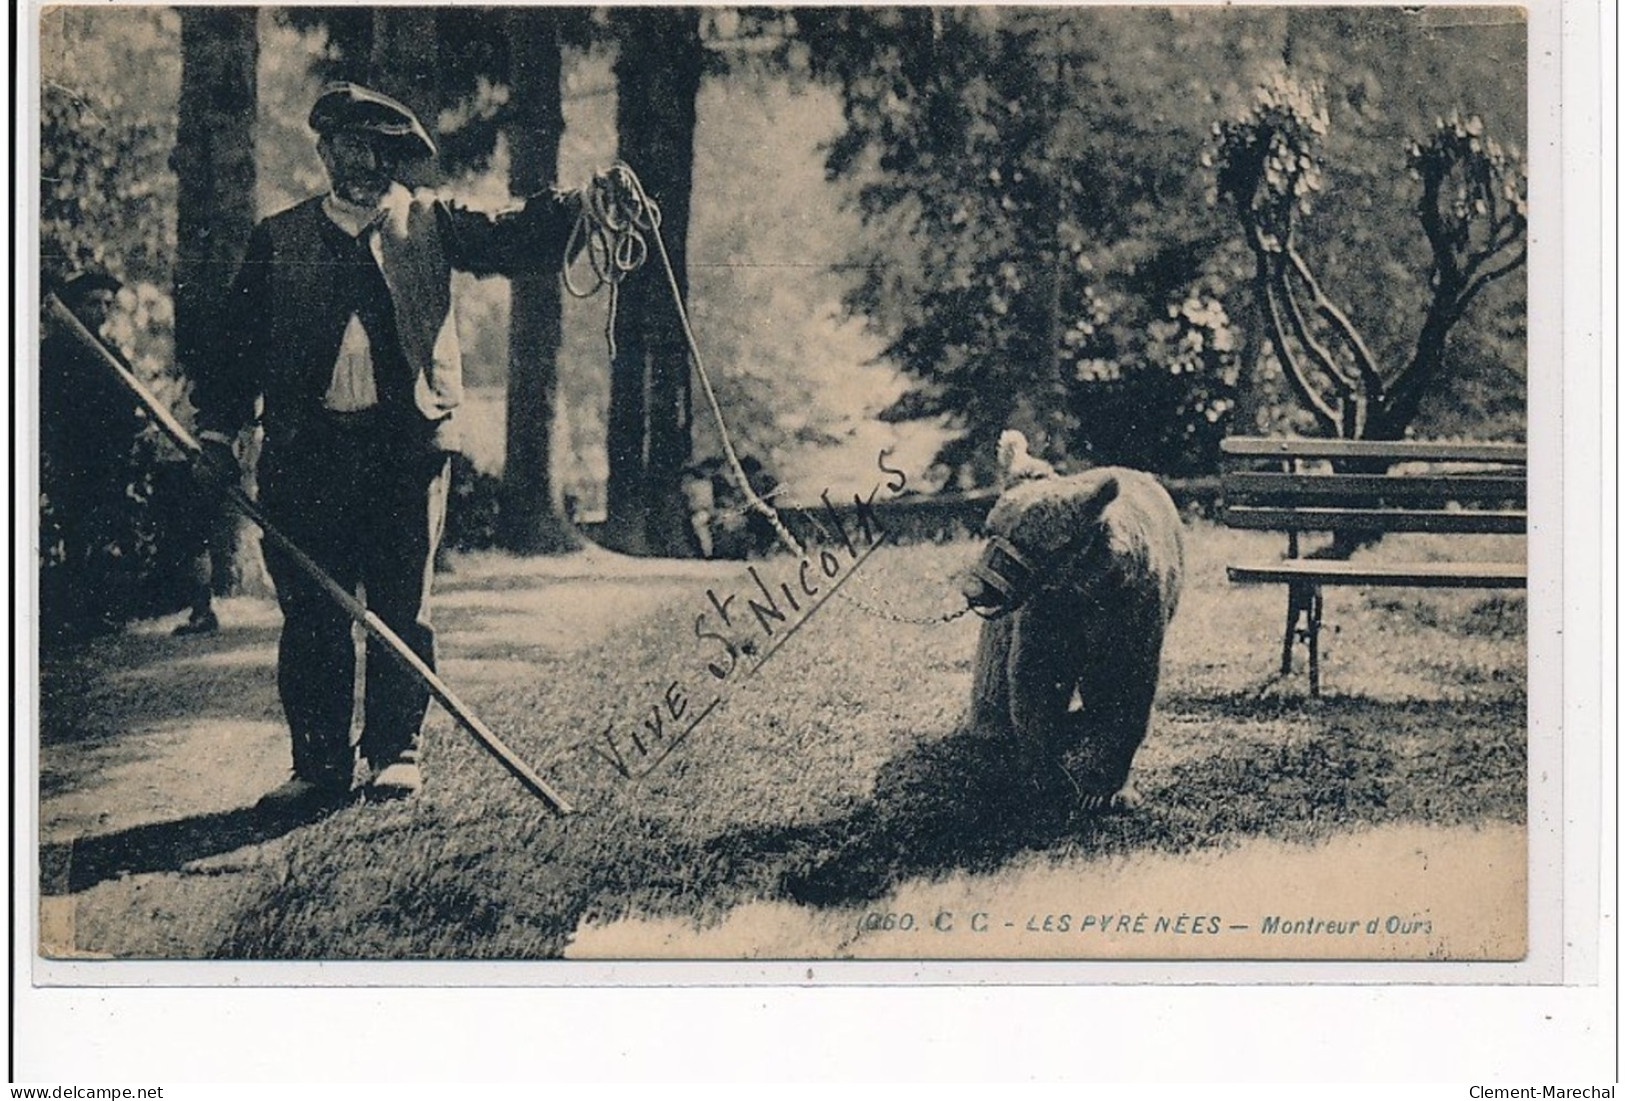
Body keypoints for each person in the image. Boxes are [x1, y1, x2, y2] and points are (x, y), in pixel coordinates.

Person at [191, 82, 582, 815]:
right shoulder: (280, 237)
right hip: (305, 457)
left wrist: (576, 211)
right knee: (312, 613)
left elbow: (512, 235)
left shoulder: (431, 223)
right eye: (344, 146)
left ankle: (395, 754)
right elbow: (234, 350)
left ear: (395, 157)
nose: (360, 161)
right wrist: (218, 430)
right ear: (324, 151)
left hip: (403, 453)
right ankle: (318, 765)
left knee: (403, 607)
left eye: (376, 149)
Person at [39, 267, 145, 643]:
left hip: (107, 462)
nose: (101, 311)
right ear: (74, 306)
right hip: (69, 458)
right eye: (92, 303)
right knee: (71, 536)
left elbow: (129, 407)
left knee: (101, 535)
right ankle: (66, 615)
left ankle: (95, 612)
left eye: (106, 304)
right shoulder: (50, 354)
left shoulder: (112, 356)